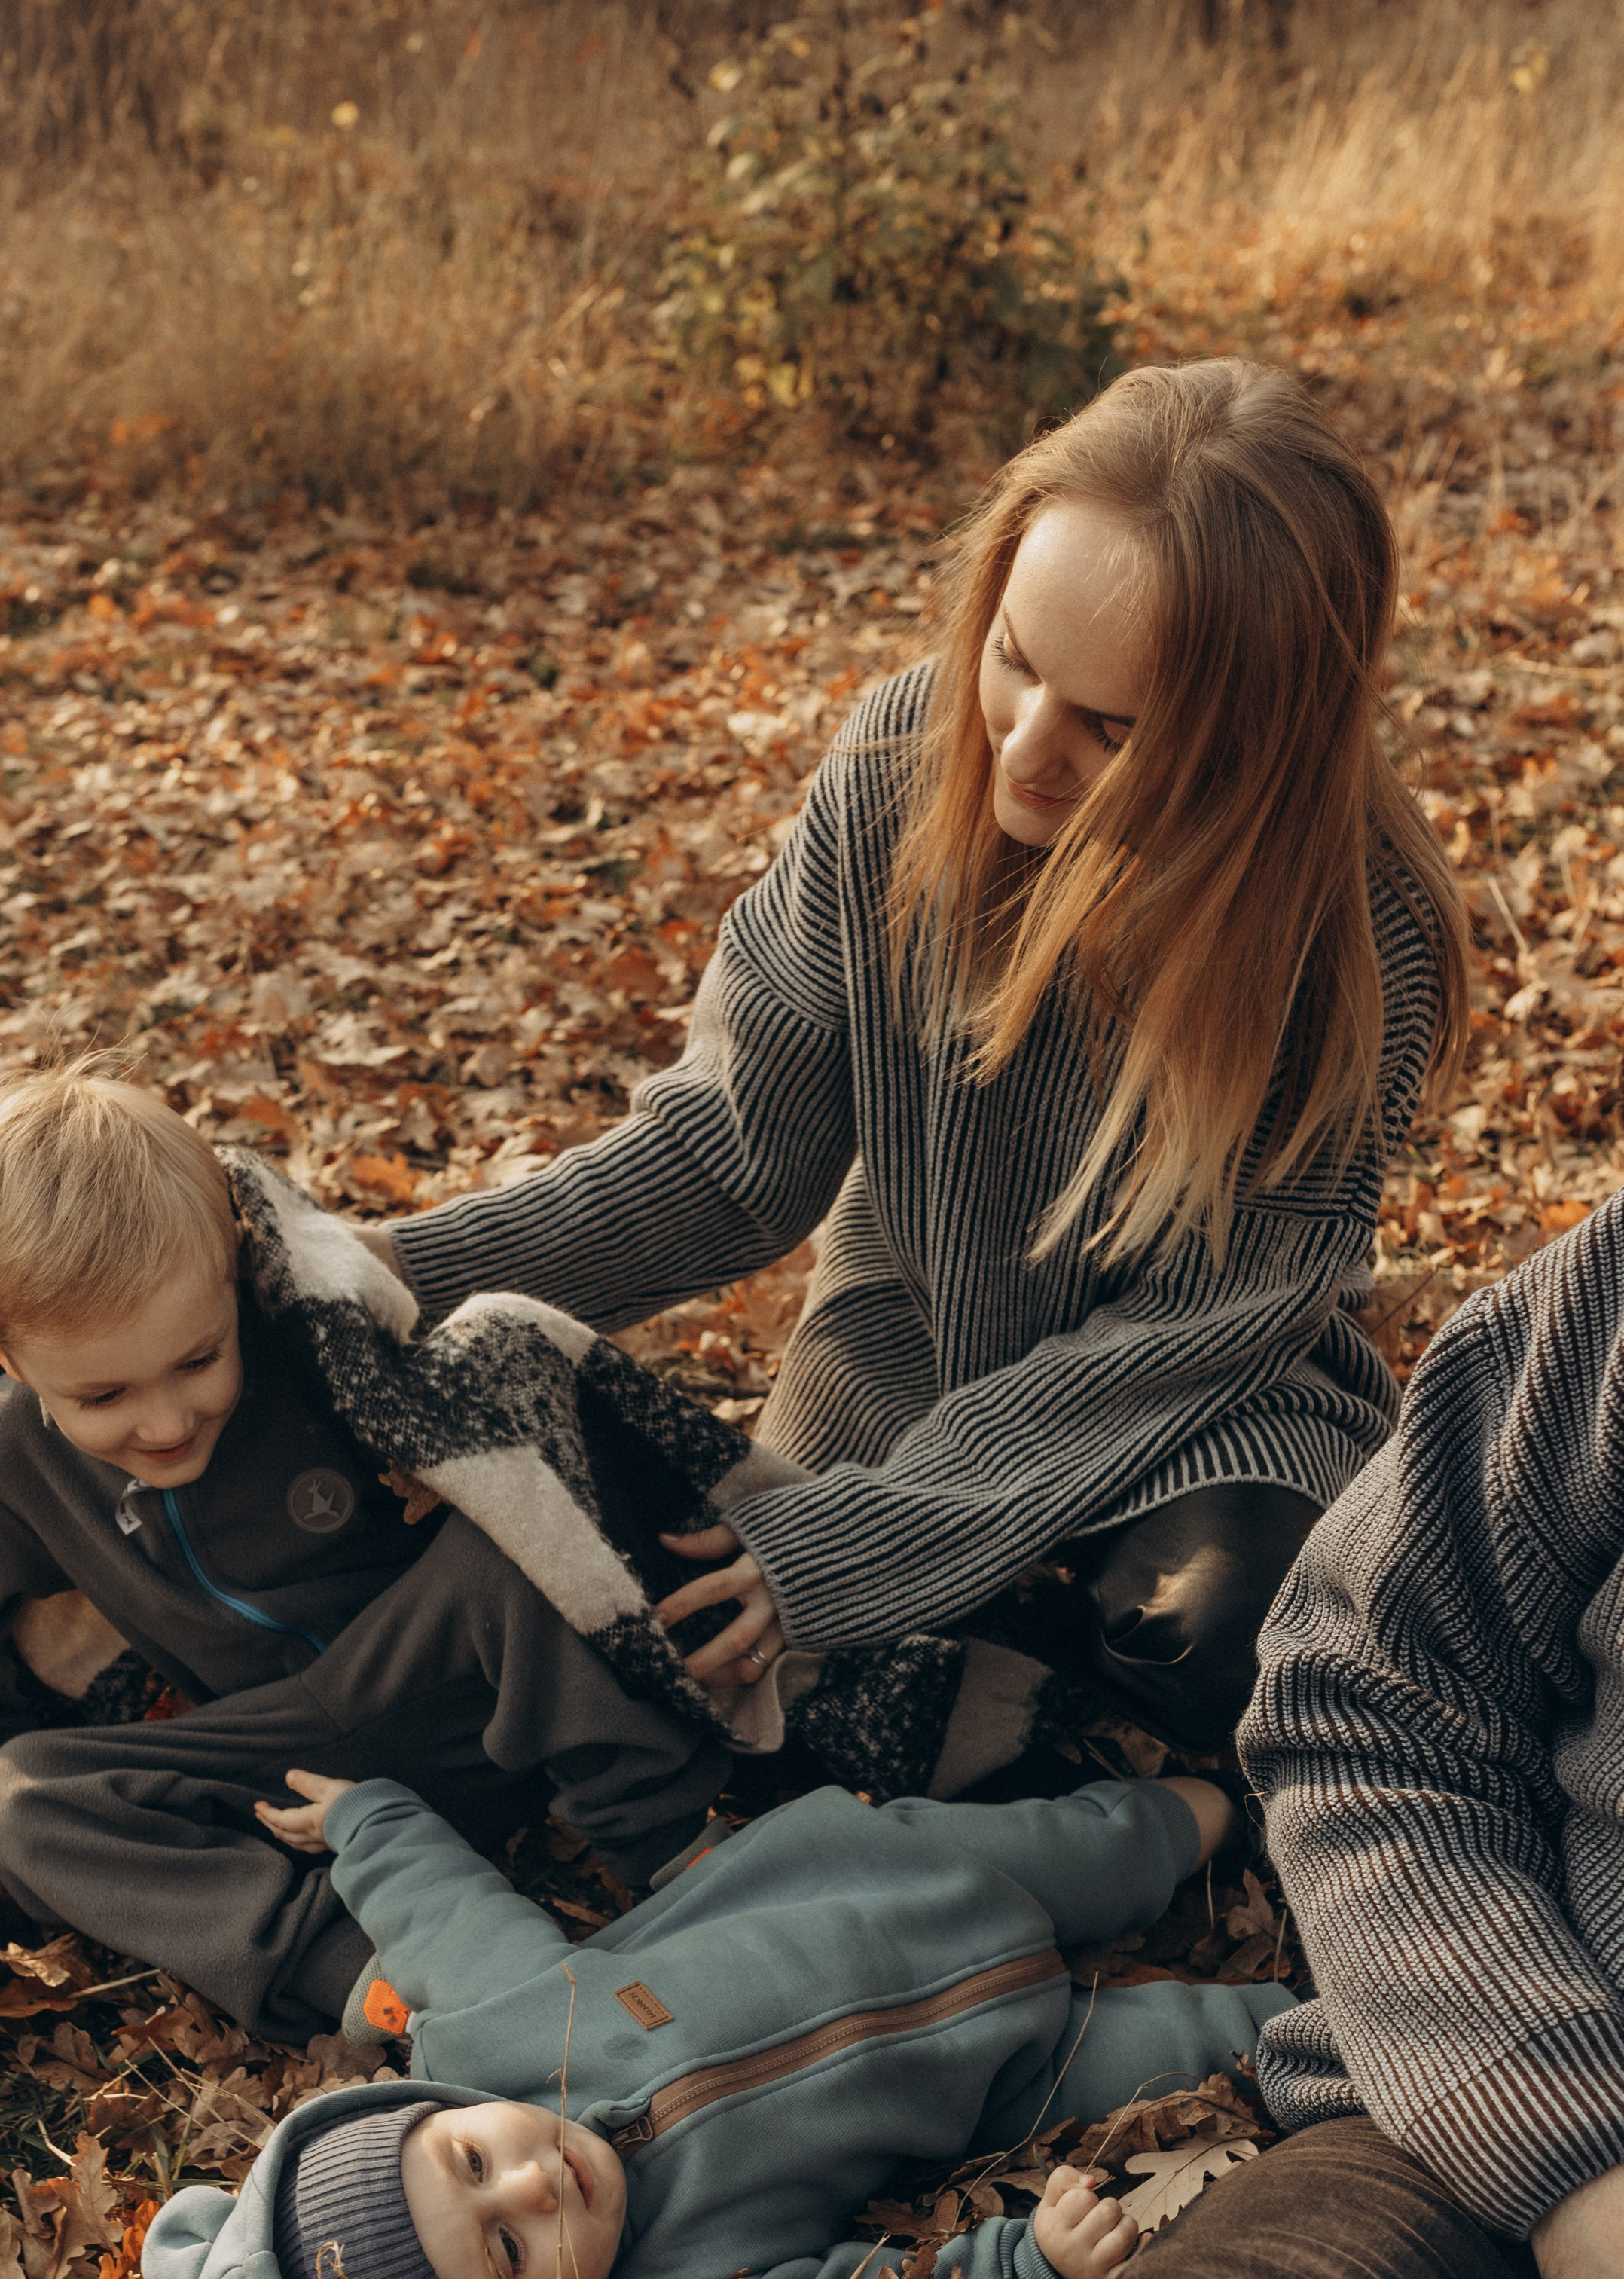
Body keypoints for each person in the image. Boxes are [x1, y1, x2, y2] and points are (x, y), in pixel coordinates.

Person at [612, 1198, 1624, 2279]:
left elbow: (1206, 1318)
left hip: (1175, 1446)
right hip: (1511, 2170)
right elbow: (1370, 1687)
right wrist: (1572, 2169)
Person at [362, 358, 1467, 1760]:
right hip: (906, 1343)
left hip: (1203, 1412)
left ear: (1256, 742)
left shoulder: (1356, 926)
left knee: (1228, 1643)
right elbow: (731, 1156)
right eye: (1014, 656)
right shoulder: (895, 765)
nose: (1024, 750)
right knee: (700, 1636)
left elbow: (1197, 1329)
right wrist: (399, 1274)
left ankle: (1048, 1688)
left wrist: (859, 1548)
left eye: (1114, 731)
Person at [142, 1759, 1290, 2279]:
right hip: (1008, 2079)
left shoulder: (496, 2020)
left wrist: (367, 1816)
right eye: (506, 2249)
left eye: (472, 2159)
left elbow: (440, 1904)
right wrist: (1029, 2268)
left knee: (1124, 1837)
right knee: (1208, 2054)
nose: (534, 2183)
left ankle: (1218, 1804)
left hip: (888, 1878)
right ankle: (1341, 2007)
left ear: (433, 2111)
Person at [0, 1062, 731, 2045]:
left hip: (465, 1692)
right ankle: (369, 1980)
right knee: (28, 1796)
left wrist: (446, 1450)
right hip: (288, 1772)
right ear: (3, 1355)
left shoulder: (313, 1348)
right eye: (105, 1398)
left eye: (196, 1360)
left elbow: (499, 1403)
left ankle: (680, 1857)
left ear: (232, 1269)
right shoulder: (0, 1459)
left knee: (513, 1547)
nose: (168, 1420)